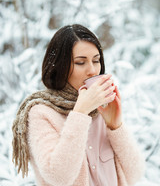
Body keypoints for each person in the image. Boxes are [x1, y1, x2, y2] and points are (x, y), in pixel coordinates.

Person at [12, 24, 145, 186]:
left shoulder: (103, 109)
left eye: (96, 61)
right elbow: (59, 177)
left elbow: (135, 174)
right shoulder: (40, 113)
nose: (92, 70)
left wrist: (116, 126)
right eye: (81, 62)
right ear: (60, 66)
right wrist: (81, 113)